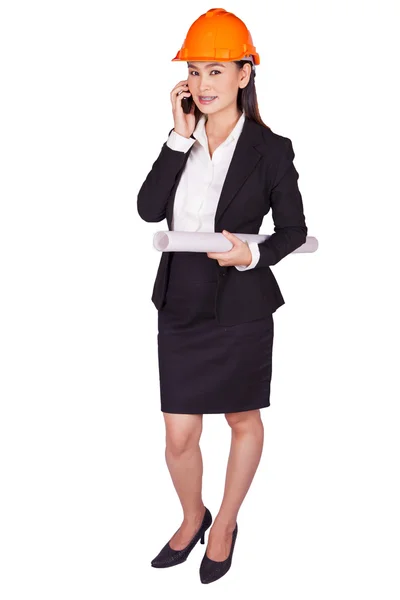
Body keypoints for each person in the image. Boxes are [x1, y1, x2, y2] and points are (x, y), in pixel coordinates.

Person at [137, 8, 308, 584]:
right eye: (195, 71)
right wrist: (177, 138)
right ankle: (192, 517)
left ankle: (226, 524)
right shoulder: (179, 141)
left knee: (241, 416)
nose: (203, 84)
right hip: (181, 300)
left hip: (242, 303)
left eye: (216, 70)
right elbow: (145, 209)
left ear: (244, 74)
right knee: (179, 432)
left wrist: (251, 254)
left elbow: (291, 231)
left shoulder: (271, 148)